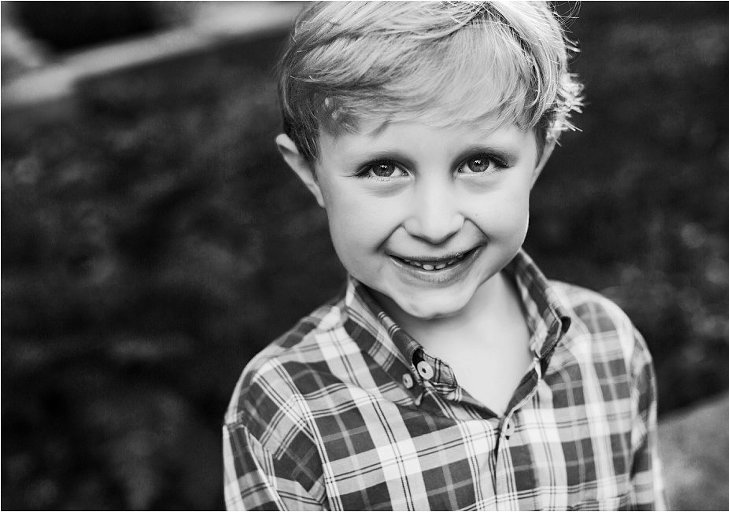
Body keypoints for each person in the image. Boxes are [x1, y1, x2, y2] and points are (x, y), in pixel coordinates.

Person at [223, 2, 666, 510]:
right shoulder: (283, 405)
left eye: (479, 162)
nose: (435, 226)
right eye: (383, 169)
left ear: (539, 157)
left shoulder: (610, 348)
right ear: (310, 174)